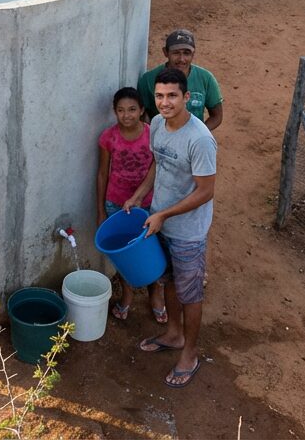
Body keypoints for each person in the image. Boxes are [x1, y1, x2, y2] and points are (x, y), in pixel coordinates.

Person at [127, 68, 216, 388]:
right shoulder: (156, 126)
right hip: (159, 218)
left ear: (186, 98)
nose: (165, 102)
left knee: (190, 293)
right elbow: (158, 164)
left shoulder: (200, 139)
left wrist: (164, 214)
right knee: (167, 280)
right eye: (160, 96)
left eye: (172, 96)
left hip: (188, 231)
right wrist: (139, 196)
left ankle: (190, 354)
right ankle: (174, 334)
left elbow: (206, 191)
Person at [96, 87, 166, 323]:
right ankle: (126, 296)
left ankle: (156, 295)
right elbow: (102, 174)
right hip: (116, 204)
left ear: (142, 110)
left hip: (147, 204)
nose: (127, 115)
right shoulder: (109, 137)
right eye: (121, 110)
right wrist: (100, 210)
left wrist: (138, 195)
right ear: (114, 112)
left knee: (151, 252)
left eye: (132, 110)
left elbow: (156, 168)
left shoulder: (152, 134)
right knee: (124, 256)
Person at [137, 29, 223, 132]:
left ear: (193, 53)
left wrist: (198, 134)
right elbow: (142, 114)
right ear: (165, 52)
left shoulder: (206, 78)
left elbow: (217, 116)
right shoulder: (148, 80)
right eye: (176, 53)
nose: (181, 59)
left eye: (186, 53)